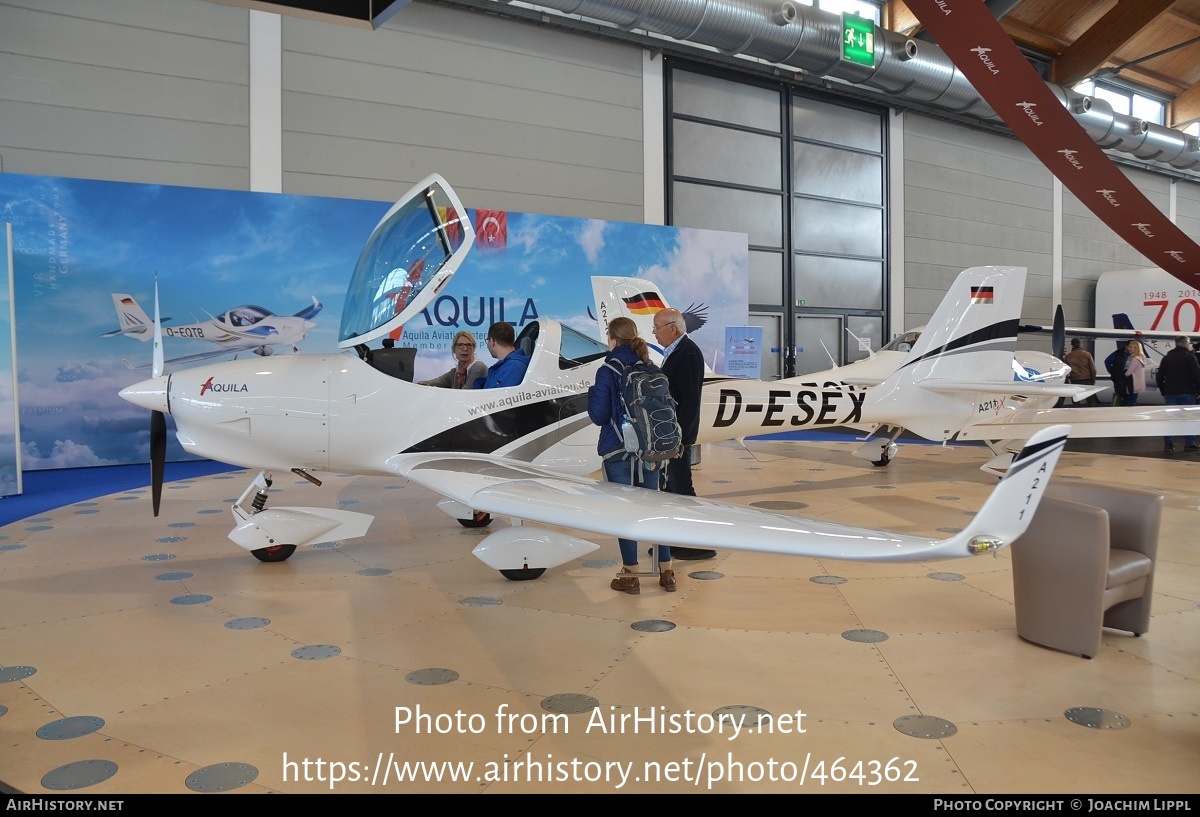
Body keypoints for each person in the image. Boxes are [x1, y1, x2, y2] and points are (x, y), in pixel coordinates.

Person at [587, 316, 674, 594]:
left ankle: (631, 575)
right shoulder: (651, 367)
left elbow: (599, 415)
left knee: (625, 513)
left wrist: (593, 394)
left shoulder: (608, 370)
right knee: (653, 510)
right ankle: (667, 571)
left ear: (612, 340)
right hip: (651, 450)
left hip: (619, 450)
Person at [651, 307, 714, 561]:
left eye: (657, 328)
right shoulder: (677, 352)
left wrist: (679, 439)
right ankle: (675, 542)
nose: (654, 333)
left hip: (677, 438)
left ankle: (697, 543)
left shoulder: (686, 353)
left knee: (682, 489)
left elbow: (688, 401)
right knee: (671, 489)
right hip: (673, 436)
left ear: (672, 328)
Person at [1156, 335, 1200, 452]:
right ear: (1185, 344)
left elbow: (1159, 376)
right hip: (1187, 392)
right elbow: (1196, 376)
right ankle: (1189, 443)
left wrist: (1163, 390)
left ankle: (1169, 444)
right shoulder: (1190, 357)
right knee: (1190, 419)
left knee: (1171, 419)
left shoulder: (1166, 358)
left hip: (1171, 392)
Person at [420, 330, 486, 389]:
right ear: (454, 349)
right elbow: (431, 382)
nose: (465, 349)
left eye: (469, 345)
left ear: (474, 349)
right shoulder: (456, 372)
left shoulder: (478, 366)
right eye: (460, 345)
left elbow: (465, 395)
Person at [474, 321, 529, 389]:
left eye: (488, 340)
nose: (488, 345)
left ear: (492, 341)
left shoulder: (513, 367)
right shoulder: (506, 366)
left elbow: (496, 397)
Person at [1063, 338, 1098, 406]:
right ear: (1080, 344)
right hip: (1087, 380)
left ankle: (1077, 415)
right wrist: (1093, 380)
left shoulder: (1068, 357)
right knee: (1091, 402)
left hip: (1075, 380)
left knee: (1076, 401)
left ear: (1072, 345)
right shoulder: (1087, 354)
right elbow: (1093, 369)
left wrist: (1067, 382)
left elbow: (1066, 371)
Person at [1124, 340, 1147, 406]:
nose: (1129, 349)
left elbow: (1128, 372)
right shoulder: (1141, 359)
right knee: (1133, 400)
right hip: (1138, 384)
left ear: (1136, 348)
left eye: (1131, 347)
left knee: (1129, 403)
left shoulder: (1135, 359)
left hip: (1132, 384)